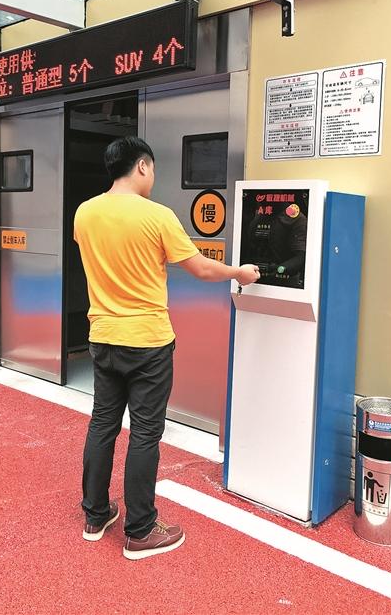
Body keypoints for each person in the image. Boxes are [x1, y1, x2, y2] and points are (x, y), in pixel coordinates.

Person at [74, 136, 259, 560]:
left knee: (102, 424)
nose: (153, 177)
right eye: (153, 169)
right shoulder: (157, 216)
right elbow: (201, 269)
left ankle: (95, 515)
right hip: (148, 342)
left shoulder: (84, 213)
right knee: (145, 433)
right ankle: (140, 530)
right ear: (141, 166)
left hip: (102, 336)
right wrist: (240, 273)